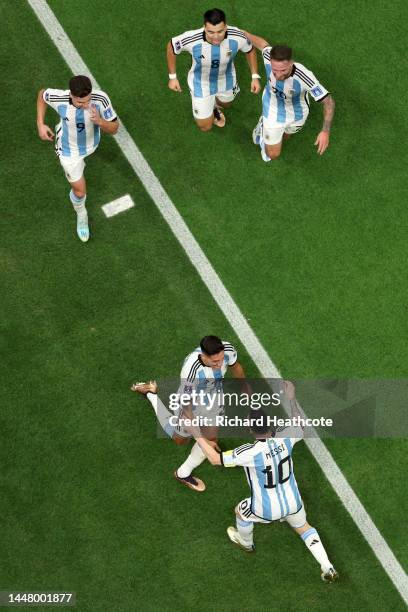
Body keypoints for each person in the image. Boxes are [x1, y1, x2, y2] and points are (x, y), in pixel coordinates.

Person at [187, 380, 339, 583]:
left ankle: (246, 543)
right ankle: (327, 565)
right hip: (293, 501)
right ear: (270, 424)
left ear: (250, 430)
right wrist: (292, 399)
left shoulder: (248, 452)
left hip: (266, 509)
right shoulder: (286, 436)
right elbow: (300, 422)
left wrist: (195, 432)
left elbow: (216, 459)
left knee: (240, 511)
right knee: (304, 527)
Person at [132, 335, 248, 492]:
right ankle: (152, 395)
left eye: (221, 359)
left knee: (212, 439)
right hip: (190, 405)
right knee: (181, 440)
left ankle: (182, 473)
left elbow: (236, 367)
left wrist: (245, 388)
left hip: (213, 400)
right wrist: (198, 437)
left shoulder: (227, 349)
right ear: (204, 356)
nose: (219, 364)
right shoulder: (190, 372)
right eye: (215, 361)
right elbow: (187, 408)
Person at [36, 75, 119, 242]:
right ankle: (82, 214)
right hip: (69, 151)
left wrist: (100, 121)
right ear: (71, 95)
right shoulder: (59, 98)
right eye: (80, 103)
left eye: (87, 101)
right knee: (80, 191)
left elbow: (115, 128)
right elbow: (42, 95)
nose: (85, 105)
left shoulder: (100, 99)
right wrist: (40, 124)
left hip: (92, 144)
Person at [243, 33, 335, 161]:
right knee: (273, 155)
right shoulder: (269, 56)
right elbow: (262, 44)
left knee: (286, 135)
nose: (278, 75)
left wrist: (325, 131)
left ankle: (270, 132)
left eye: (283, 70)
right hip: (272, 109)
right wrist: (241, 32)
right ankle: (264, 125)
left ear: (291, 63)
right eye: (275, 70)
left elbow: (328, 102)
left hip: (297, 114)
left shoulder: (304, 77)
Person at [166, 8, 261, 132]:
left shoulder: (238, 36)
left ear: (226, 26)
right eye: (210, 32)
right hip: (201, 82)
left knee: (226, 105)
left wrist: (254, 76)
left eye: (220, 31)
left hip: (226, 79)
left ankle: (214, 106)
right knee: (205, 126)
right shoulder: (191, 38)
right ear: (204, 27)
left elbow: (250, 50)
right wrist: (172, 77)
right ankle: (209, 106)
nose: (216, 37)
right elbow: (171, 46)